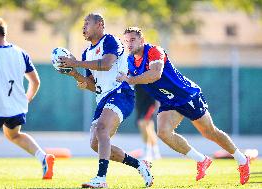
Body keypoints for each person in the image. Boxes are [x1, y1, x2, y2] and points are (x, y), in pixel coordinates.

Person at [117, 27, 250, 185]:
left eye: (132, 40)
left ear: (142, 40)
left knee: (209, 132)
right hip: (168, 101)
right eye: (126, 41)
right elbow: (121, 75)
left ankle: (242, 160)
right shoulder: (129, 60)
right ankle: (201, 160)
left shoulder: (154, 51)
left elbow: (155, 74)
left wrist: (130, 80)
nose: (129, 44)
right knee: (163, 133)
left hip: (186, 95)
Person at [58, 13, 153, 188]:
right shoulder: (86, 52)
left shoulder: (110, 41)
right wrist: (74, 73)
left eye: (87, 23)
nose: (83, 27)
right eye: (83, 23)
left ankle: (101, 179)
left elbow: (107, 64)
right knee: (95, 144)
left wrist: (76, 63)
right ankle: (139, 164)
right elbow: (92, 85)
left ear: (100, 24)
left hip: (121, 93)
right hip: (103, 99)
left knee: (101, 128)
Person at [0, 17, 55, 180]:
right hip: (16, 108)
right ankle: (43, 157)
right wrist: (26, 99)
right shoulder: (21, 53)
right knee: (13, 135)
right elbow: (35, 81)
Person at [135, 85, 161, 161]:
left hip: (150, 103)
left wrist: (156, 103)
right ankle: (156, 153)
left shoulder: (149, 75)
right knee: (149, 128)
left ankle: (147, 153)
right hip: (140, 104)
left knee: (144, 125)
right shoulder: (134, 75)